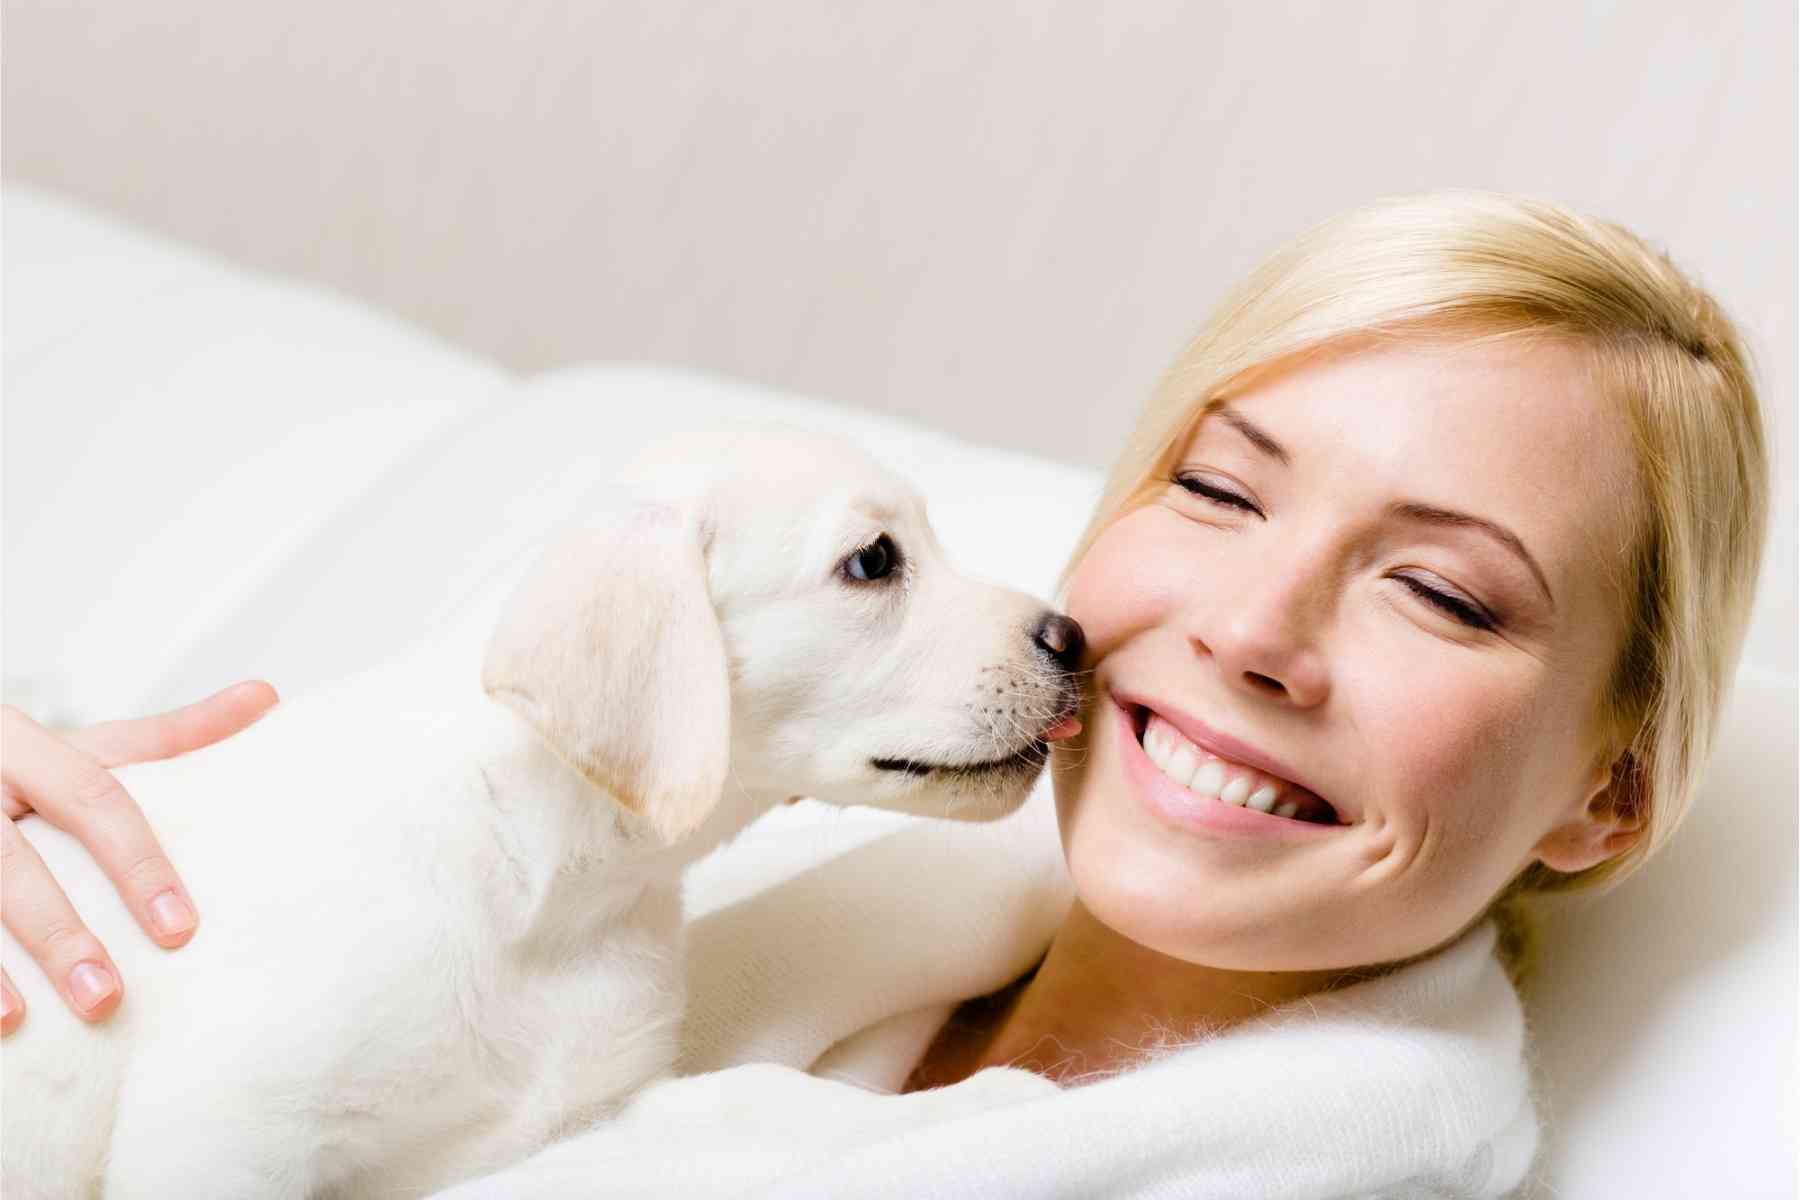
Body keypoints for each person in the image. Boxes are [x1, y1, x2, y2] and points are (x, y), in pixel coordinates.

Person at [0, 191, 1770, 1196]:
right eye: (1220, 490)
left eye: (1443, 592)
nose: (1254, 626)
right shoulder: (771, 856)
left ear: (1606, 793)